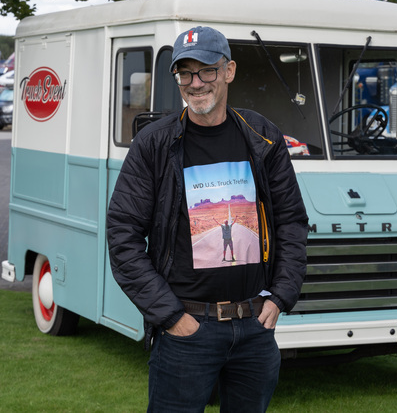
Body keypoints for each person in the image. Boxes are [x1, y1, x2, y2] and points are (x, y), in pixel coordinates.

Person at [106, 25, 308, 412]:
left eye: (207, 71)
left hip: (254, 326)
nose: (196, 83)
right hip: (187, 330)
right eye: (186, 73)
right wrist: (170, 316)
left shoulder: (262, 137)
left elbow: (292, 223)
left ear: (228, 71)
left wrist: (281, 297)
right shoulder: (154, 144)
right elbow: (122, 236)